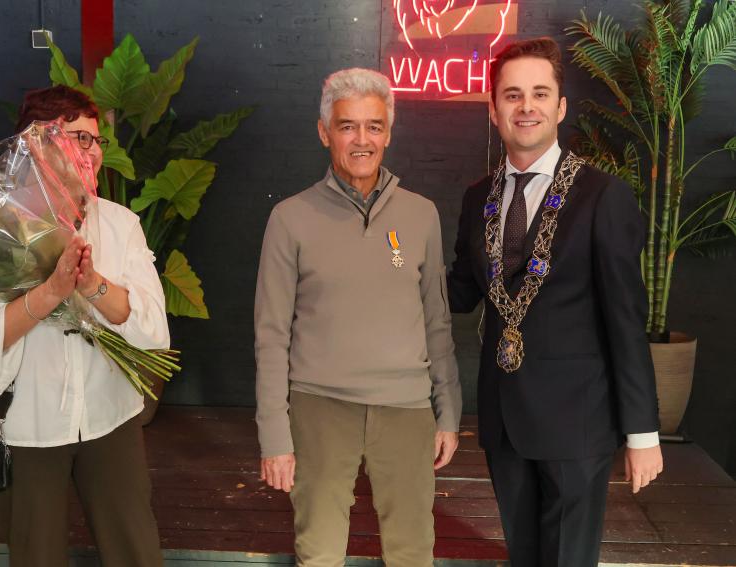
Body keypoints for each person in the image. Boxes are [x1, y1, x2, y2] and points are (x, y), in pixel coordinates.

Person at [447, 38, 663, 567]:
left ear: (560, 107)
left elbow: (625, 320)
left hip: (577, 423)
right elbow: (458, 293)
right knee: (522, 556)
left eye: (540, 94)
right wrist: (386, 261)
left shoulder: (602, 196)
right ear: (493, 107)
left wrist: (642, 433)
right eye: (513, 94)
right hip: (503, 419)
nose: (526, 106)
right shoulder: (479, 197)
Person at [0, 85, 169, 567]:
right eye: (80, 139)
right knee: (35, 555)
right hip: (26, 424)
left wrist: (91, 284)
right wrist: (47, 295)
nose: (95, 152)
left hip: (111, 414)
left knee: (137, 552)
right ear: (36, 144)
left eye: (97, 140)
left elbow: (152, 333)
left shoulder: (121, 223)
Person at [254, 67, 461, 566]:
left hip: (407, 409)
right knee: (318, 553)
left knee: (413, 554)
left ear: (388, 133)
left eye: (373, 126)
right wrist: (274, 436)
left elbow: (437, 318)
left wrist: (448, 409)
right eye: (348, 126)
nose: (362, 140)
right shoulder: (289, 218)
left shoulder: (421, 215)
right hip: (320, 407)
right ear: (325, 133)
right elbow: (270, 334)